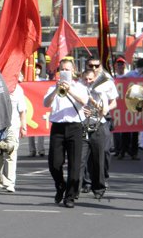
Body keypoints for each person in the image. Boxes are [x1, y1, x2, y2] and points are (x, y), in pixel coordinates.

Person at [43, 58, 88, 208]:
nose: (65, 72)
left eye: (67, 69)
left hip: (75, 127)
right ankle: (60, 185)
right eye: (62, 69)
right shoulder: (53, 88)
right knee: (54, 164)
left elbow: (83, 101)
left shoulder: (79, 87)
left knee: (75, 165)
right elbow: (46, 103)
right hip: (58, 128)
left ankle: (70, 197)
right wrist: (56, 90)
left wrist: (70, 90)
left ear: (73, 71)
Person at [82, 55, 118, 193]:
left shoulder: (107, 80)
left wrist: (104, 109)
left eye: (97, 65)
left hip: (103, 118)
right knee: (86, 152)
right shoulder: (82, 80)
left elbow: (114, 102)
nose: (94, 68)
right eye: (91, 66)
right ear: (86, 66)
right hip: (85, 119)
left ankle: (104, 177)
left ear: (101, 66)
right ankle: (87, 182)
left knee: (104, 150)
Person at [78, 68, 109, 200]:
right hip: (83, 126)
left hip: (97, 126)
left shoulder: (100, 92)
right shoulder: (79, 90)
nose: (88, 81)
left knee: (98, 159)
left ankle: (99, 187)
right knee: (80, 159)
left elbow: (105, 111)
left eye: (90, 79)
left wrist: (94, 101)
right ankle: (75, 188)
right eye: (86, 79)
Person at [0, 81, 27, 193]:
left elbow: (22, 110)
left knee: (11, 154)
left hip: (12, 126)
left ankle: (9, 182)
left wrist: (23, 126)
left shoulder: (18, 89)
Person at [119, 58, 143, 160]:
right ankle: (124, 151)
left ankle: (133, 152)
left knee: (135, 129)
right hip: (129, 104)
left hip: (138, 104)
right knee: (126, 129)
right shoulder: (130, 75)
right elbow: (121, 81)